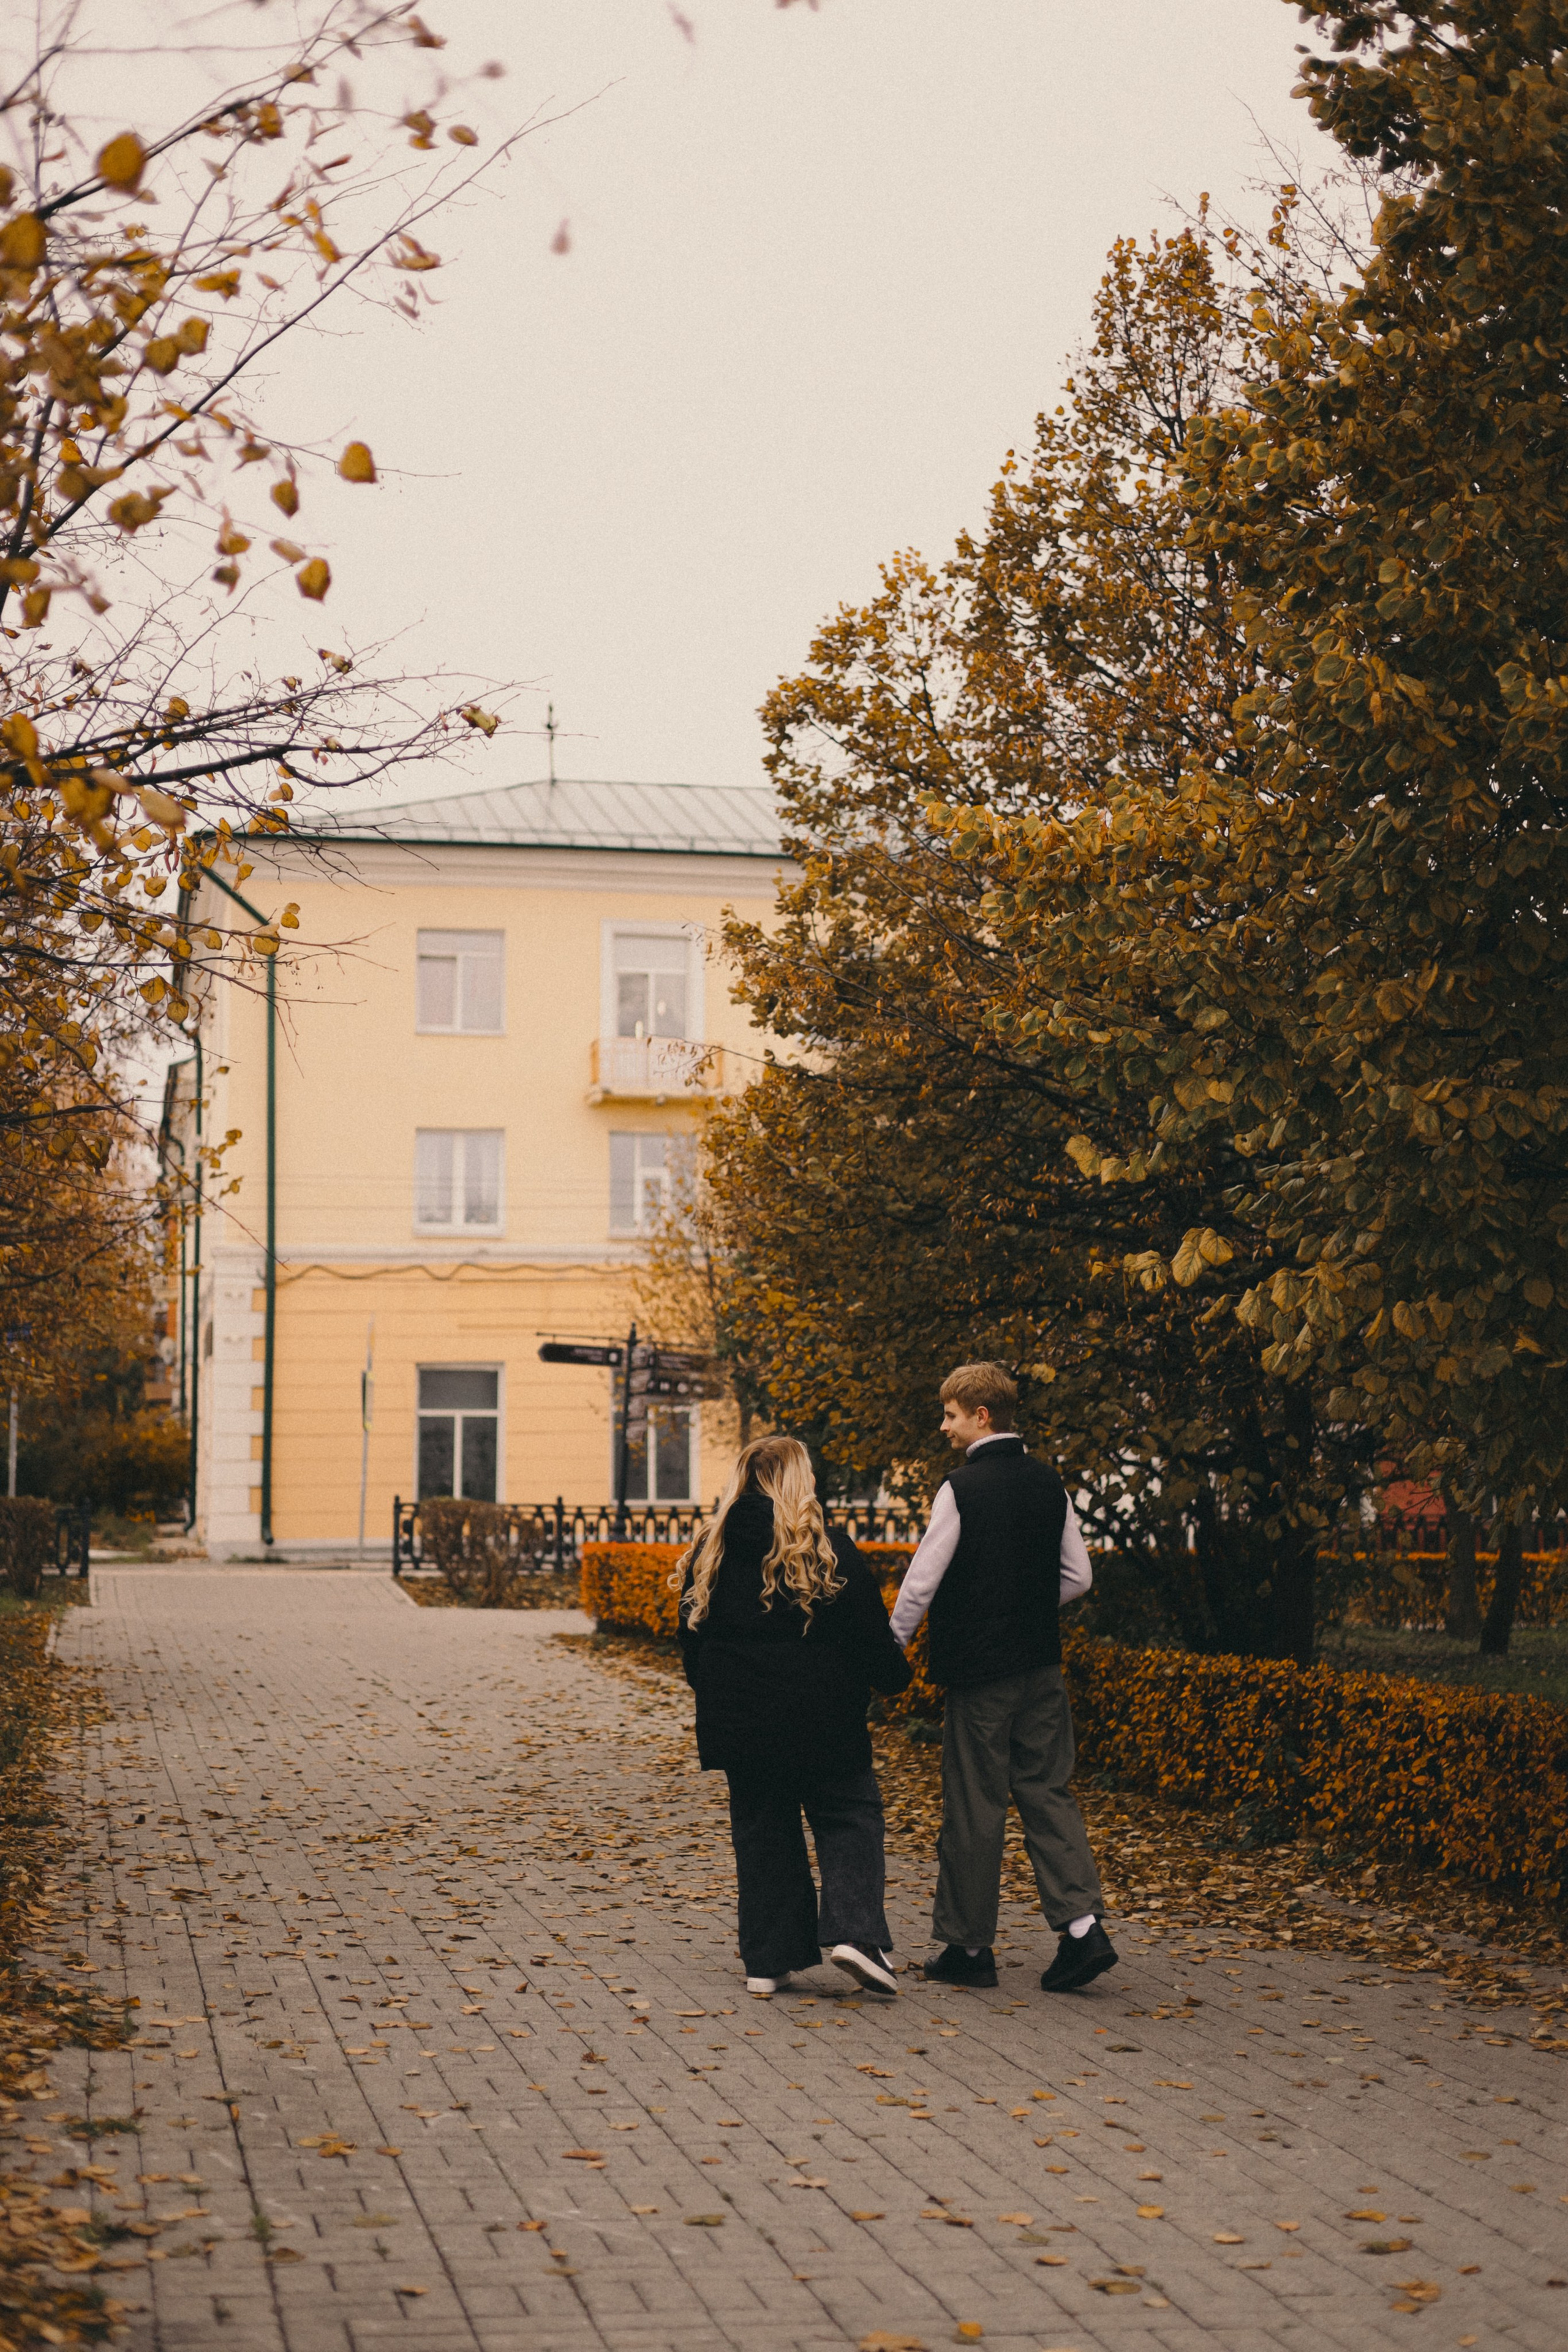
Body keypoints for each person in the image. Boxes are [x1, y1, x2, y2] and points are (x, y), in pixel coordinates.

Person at [890, 1361, 1117, 1995]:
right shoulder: (1050, 1485)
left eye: (951, 1415)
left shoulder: (961, 1488)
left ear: (980, 1416)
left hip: (979, 1671)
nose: (944, 1427)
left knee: (974, 1803)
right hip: (1041, 1664)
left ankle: (967, 1947)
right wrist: (1024, 1610)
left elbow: (922, 1582)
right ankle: (1081, 1931)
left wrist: (889, 1647)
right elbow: (1078, 1578)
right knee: (1047, 1790)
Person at [676, 1434, 912, 1997]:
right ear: (798, 1481)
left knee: (764, 1832)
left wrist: (719, 1696)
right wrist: (895, 1681)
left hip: (743, 1725)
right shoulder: (828, 1549)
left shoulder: (712, 1550)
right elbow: (868, 1636)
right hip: (823, 1722)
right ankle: (856, 1935)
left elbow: (691, 1643)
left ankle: (767, 1962)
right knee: (849, 1815)